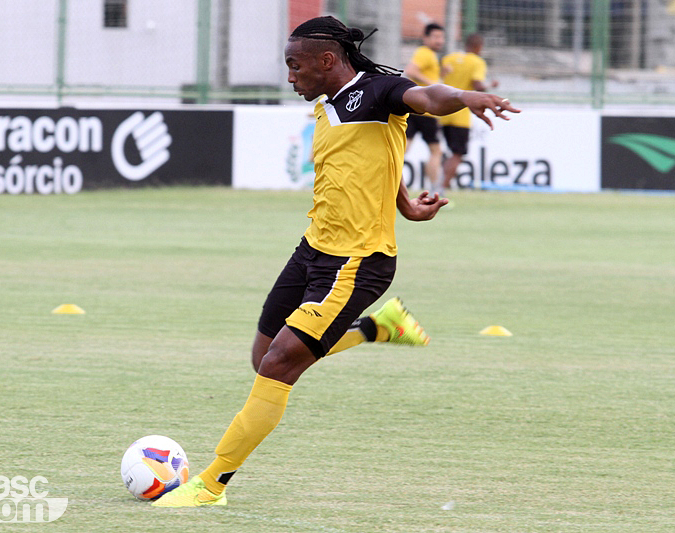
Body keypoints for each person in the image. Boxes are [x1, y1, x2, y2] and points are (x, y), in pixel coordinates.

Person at [153, 16, 518, 508]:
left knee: (280, 363)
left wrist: (465, 96)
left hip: (357, 261)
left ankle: (211, 484)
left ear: (327, 60)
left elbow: (430, 98)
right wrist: (406, 205)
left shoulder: (379, 91)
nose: (290, 76)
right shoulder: (327, 103)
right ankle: (376, 329)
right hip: (312, 251)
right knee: (264, 358)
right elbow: (374, 159)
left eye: (294, 65)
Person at [439, 33, 499, 191]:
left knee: (447, 151)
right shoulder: (477, 62)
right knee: (457, 153)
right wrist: (490, 85)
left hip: (443, 111)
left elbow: (440, 78)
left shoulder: (449, 58)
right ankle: (441, 188)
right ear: (479, 47)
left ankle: (442, 184)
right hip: (460, 114)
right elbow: (477, 84)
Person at [403, 22, 447, 191]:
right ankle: (435, 190)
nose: (439, 40)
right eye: (435, 36)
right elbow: (411, 71)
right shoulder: (425, 53)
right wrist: (434, 86)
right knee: (436, 151)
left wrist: (442, 75)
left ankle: (384, 183)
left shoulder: (431, 56)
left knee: (402, 149)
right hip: (426, 111)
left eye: (441, 37)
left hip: (415, 108)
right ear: (425, 38)